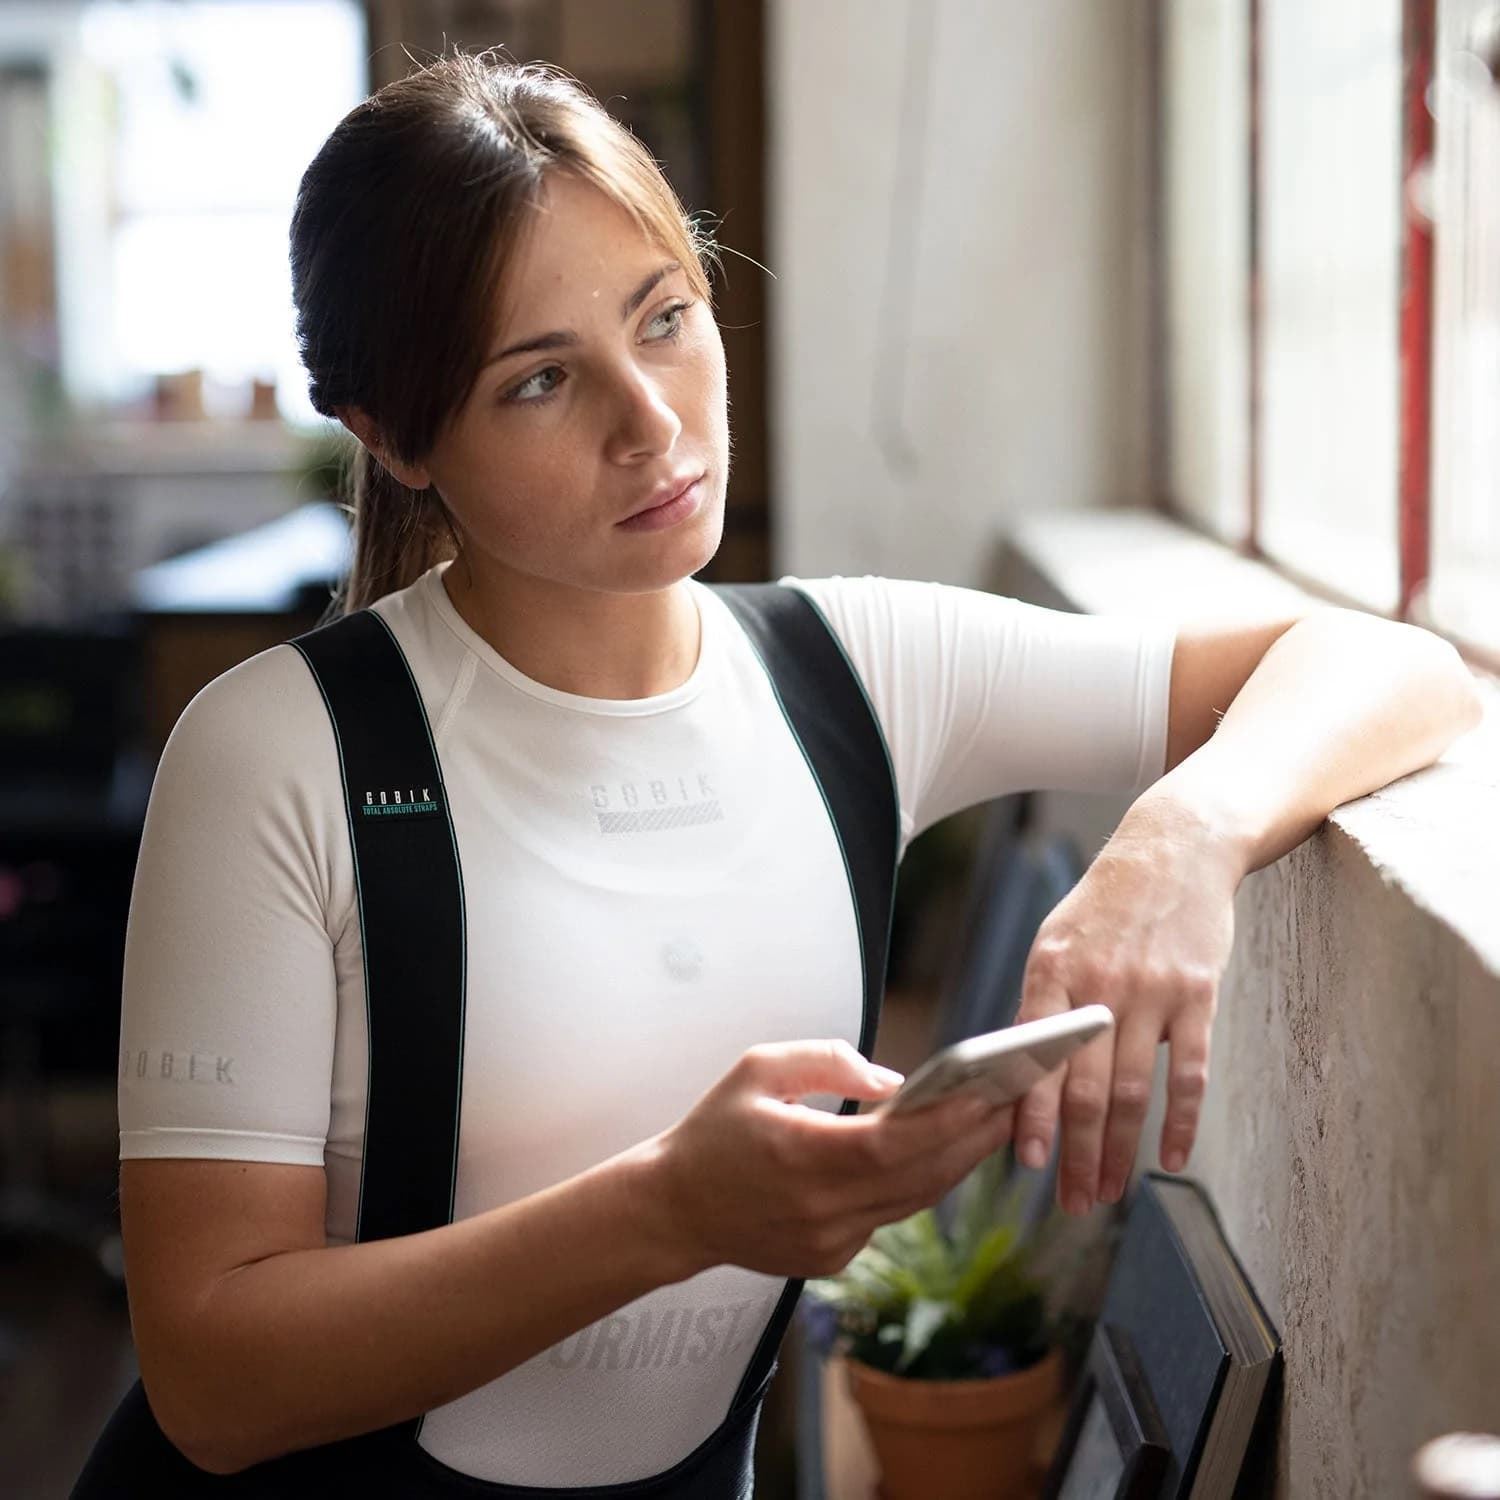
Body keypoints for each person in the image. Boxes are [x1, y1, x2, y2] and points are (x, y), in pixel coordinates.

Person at [100, 49, 1481, 1495]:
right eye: (543, 381)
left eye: (667, 319)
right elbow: (211, 1378)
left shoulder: (856, 671)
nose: (651, 422)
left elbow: (1398, 665)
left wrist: (1182, 837)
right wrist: (668, 1210)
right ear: (394, 437)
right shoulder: (279, 755)